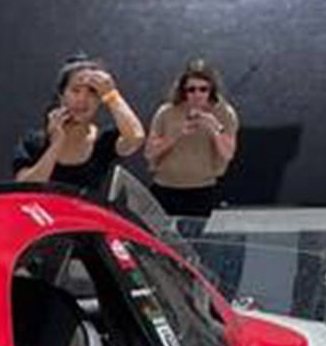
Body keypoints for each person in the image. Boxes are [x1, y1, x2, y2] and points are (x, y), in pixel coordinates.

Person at [13, 57, 146, 200]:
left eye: (92, 92)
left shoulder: (104, 141)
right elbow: (25, 188)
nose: (82, 99)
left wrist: (112, 95)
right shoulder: (34, 141)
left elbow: (136, 138)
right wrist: (55, 144)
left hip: (81, 220)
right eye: (75, 91)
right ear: (61, 95)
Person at [145, 59, 241, 222]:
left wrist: (214, 128)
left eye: (203, 89)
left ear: (211, 90)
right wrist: (175, 135)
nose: (197, 95)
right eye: (191, 90)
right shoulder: (167, 112)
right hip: (165, 188)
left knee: (193, 240)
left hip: (202, 190)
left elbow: (228, 154)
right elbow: (149, 153)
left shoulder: (224, 113)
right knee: (160, 240)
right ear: (183, 91)